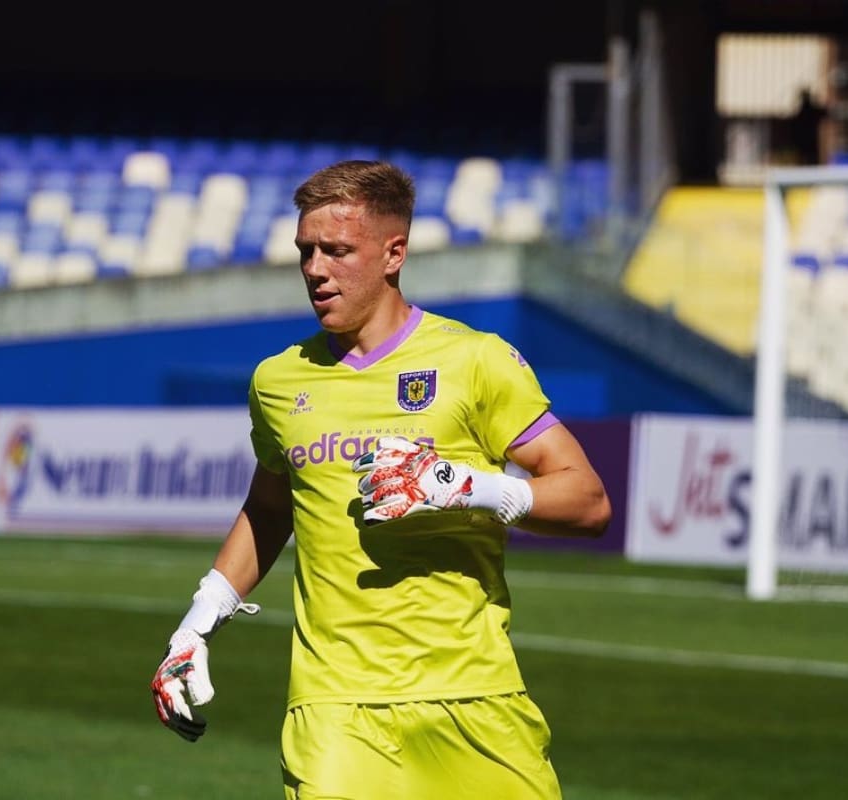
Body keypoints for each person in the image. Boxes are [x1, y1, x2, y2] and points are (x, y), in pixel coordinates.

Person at [151, 159, 612, 799]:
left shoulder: (475, 361)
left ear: (394, 253)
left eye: (337, 251)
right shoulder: (278, 381)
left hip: (473, 697)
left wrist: (468, 488)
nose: (315, 269)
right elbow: (269, 509)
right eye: (306, 251)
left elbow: (588, 501)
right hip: (334, 710)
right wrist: (195, 626)